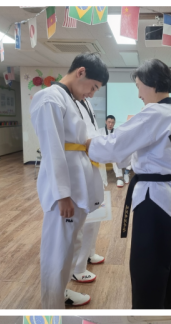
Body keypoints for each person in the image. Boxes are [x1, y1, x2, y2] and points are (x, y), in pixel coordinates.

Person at [86, 58, 171, 309]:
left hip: (155, 202)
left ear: (151, 83)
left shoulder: (154, 113)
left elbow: (116, 144)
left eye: (138, 86)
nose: (139, 94)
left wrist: (87, 144)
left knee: (149, 268)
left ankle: (147, 316)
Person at [30, 53, 109, 308]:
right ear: (80, 72)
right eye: (93, 87)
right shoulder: (50, 99)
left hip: (78, 187)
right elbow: (53, 151)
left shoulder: (73, 99)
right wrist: (62, 194)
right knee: (58, 251)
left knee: (70, 247)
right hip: (65, 194)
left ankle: (61, 292)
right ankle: (52, 306)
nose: (92, 94)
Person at [69, 94, 113, 289]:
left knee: (96, 216)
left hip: (94, 163)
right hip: (81, 165)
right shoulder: (66, 100)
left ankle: (89, 253)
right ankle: (77, 268)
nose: (93, 92)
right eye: (92, 86)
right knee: (82, 221)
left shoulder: (85, 101)